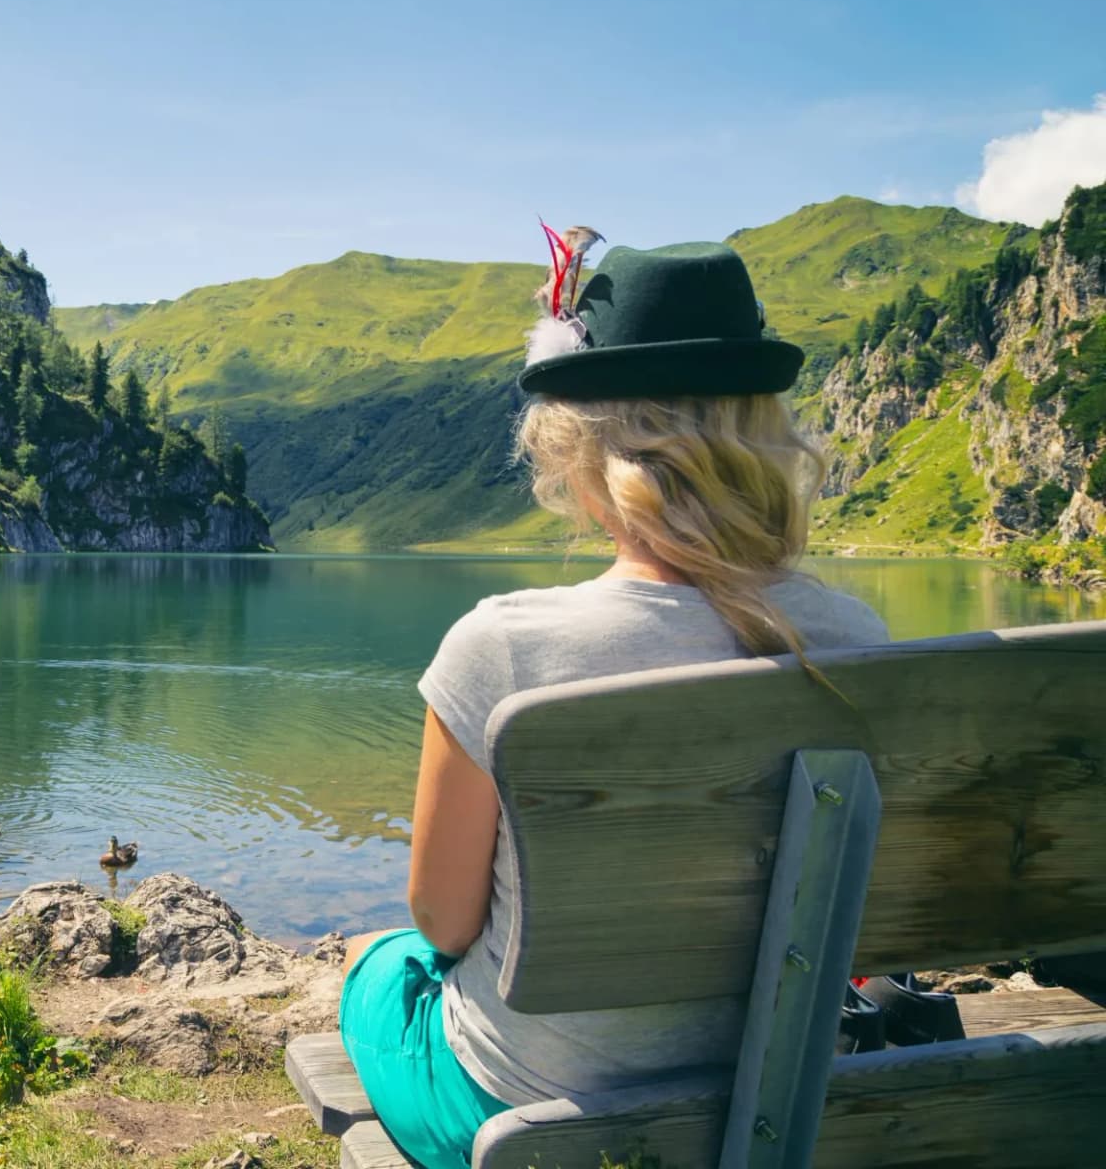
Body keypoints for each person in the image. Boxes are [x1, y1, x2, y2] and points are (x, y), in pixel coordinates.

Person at [337, 240, 890, 1166]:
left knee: (380, 965)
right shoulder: (860, 639)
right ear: (765, 436)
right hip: (786, 1089)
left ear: (589, 455)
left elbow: (444, 921)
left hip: (531, 1113)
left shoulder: (502, 646)